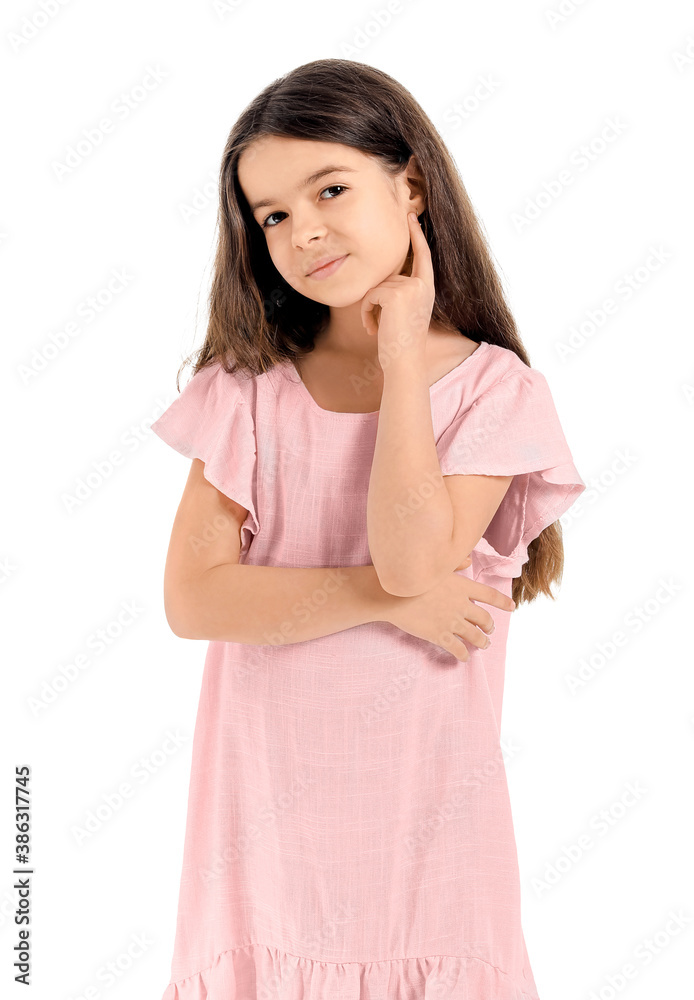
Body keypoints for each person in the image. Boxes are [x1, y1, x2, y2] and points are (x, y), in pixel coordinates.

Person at [151, 58, 586, 1000]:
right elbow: (195, 600)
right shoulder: (246, 392)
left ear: (413, 185)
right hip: (261, 863)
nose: (303, 230)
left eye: (331, 189)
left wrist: (399, 354)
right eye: (271, 215)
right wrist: (389, 606)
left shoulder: (495, 394)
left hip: (426, 860)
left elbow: (412, 554)